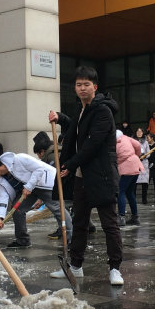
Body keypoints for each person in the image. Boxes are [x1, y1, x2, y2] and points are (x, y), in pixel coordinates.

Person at [48, 66, 124, 286]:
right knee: (79, 222)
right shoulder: (82, 109)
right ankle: (75, 266)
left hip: (102, 175)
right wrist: (60, 117)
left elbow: (93, 143)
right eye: (79, 85)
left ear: (95, 87)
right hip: (82, 176)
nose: (82, 88)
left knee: (109, 224)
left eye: (86, 84)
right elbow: (76, 129)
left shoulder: (102, 111)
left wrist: (70, 164)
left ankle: (115, 269)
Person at [0, 152, 72, 249]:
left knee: (58, 209)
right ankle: (23, 240)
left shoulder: (19, 159)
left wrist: (29, 186)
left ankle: (72, 239)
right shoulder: (1, 179)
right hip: (27, 191)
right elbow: (3, 197)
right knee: (17, 209)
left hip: (45, 184)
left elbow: (39, 169)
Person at [116, 130, 144, 226]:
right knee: (129, 192)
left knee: (121, 191)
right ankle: (135, 216)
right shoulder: (125, 137)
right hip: (136, 164)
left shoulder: (112, 143)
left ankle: (121, 217)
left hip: (127, 168)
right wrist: (137, 155)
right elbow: (138, 144)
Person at [135, 127, 150, 205]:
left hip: (144, 163)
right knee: (134, 182)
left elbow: (149, 153)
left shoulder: (146, 142)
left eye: (140, 131)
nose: (139, 133)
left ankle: (144, 199)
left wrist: (144, 156)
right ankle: (133, 199)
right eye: (138, 131)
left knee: (145, 184)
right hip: (136, 163)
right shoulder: (133, 141)